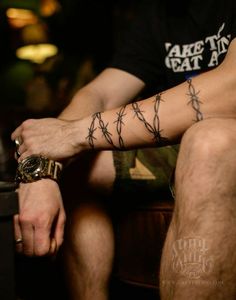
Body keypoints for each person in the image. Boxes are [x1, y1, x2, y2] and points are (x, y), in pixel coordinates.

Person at [11, 0, 236, 299]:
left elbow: (231, 89)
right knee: (78, 162)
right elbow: (100, 94)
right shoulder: (159, 13)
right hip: (182, 143)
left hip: (218, 139)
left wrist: (72, 134)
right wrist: (43, 164)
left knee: (209, 140)